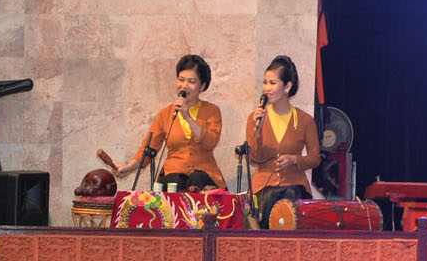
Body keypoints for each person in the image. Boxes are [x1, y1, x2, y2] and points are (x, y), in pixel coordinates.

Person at [97, 55, 225, 190]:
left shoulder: (212, 111)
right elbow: (148, 149)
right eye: (181, 80)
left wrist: (187, 117)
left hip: (204, 177)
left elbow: (210, 142)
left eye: (191, 81)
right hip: (174, 177)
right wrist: (129, 167)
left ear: (202, 86)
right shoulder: (165, 114)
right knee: (174, 182)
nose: (184, 86)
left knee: (198, 179)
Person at [241, 55, 321, 222]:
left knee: (290, 198)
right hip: (263, 189)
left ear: (288, 86)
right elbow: (254, 158)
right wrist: (258, 128)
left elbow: (315, 159)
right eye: (265, 82)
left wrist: (295, 159)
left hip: (294, 187)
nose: (266, 88)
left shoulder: (305, 120)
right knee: (265, 203)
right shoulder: (255, 118)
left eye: (272, 83)